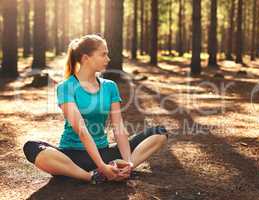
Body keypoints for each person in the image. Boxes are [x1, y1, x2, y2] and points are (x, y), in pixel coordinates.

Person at [23, 34, 168, 184]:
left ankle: (121, 169)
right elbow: (82, 131)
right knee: (32, 147)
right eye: (103, 54)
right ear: (86, 58)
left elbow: (118, 127)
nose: (108, 59)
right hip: (73, 156)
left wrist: (129, 163)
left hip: (104, 152)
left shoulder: (110, 86)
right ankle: (92, 176)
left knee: (160, 132)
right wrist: (101, 167)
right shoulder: (65, 87)